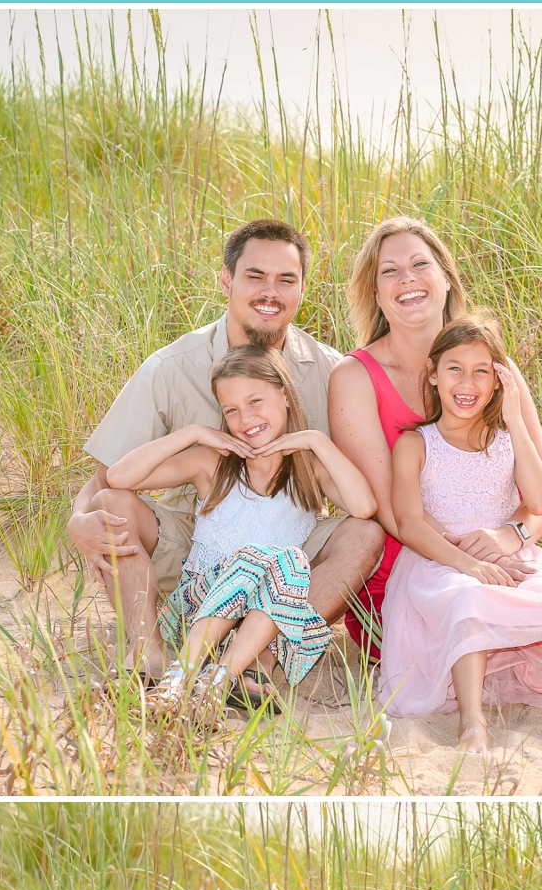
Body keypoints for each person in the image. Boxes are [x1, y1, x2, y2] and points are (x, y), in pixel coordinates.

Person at [67, 219, 383, 677]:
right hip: (197, 546)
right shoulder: (172, 367)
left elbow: (362, 499)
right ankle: (147, 652)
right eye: (255, 276)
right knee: (113, 503)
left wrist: (313, 441)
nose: (269, 291)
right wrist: (79, 518)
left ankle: (263, 664)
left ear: (302, 289)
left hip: (287, 553)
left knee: (364, 534)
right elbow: (107, 475)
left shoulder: (333, 373)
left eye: (286, 280)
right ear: (227, 280)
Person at [383, 313, 542, 761]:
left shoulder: (503, 439)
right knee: (469, 599)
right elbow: (408, 523)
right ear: (433, 374)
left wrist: (517, 422)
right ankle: (472, 725)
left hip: (513, 555)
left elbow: (541, 501)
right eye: (455, 368)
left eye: (482, 371)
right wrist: (470, 563)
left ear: (499, 380)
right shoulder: (417, 443)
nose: (468, 382)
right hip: (441, 563)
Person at [104, 345, 375, 711]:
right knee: (259, 558)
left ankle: (217, 681)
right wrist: (192, 434)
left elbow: (364, 507)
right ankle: (177, 677)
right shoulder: (214, 464)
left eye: (255, 401)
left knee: (287, 561)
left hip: (261, 618)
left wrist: (316, 440)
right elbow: (118, 477)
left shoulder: (308, 469)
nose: (246, 418)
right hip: (197, 606)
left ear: (285, 393)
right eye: (231, 410)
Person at [327, 217, 542, 656]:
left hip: (496, 552)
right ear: (376, 295)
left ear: (446, 279)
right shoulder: (353, 377)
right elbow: (391, 510)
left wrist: (511, 536)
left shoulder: (492, 366)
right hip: (408, 564)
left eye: (419, 264)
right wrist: (471, 560)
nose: (406, 278)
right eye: (388, 271)